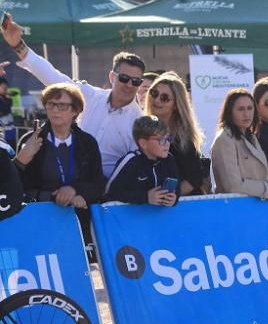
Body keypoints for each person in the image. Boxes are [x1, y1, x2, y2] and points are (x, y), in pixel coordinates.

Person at [2, 15, 144, 177]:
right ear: (112, 77)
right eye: (124, 78)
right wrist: (18, 45)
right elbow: (52, 77)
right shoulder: (90, 95)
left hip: (109, 194)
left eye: (136, 81)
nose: (129, 85)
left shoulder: (139, 121)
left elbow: (135, 169)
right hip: (69, 179)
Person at [211, 88, 268, 324]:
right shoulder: (224, 140)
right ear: (230, 112)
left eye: (249, 108)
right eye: (240, 109)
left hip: (254, 215)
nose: (246, 113)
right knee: (239, 275)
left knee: (251, 274)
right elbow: (233, 183)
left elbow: (259, 176)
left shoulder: (250, 137)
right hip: (235, 217)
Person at [13, 84, 103, 225]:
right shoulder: (30, 140)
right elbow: (17, 187)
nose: (55, 110)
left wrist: (76, 191)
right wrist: (21, 160)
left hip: (80, 220)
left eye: (62, 106)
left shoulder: (87, 142)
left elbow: (98, 183)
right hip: (40, 220)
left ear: (75, 110)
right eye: (51, 104)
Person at [145, 72, 206, 196]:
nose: (156, 100)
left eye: (165, 98)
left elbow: (194, 178)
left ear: (176, 105)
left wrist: (170, 197)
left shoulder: (182, 139)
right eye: (154, 93)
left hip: (178, 208)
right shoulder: (140, 129)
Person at [104, 115, 179, 207]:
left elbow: (177, 186)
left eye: (168, 139)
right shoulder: (131, 161)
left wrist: (174, 198)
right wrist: (145, 197)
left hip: (159, 218)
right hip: (130, 218)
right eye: (161, 140)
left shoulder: (169, 159)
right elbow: (110, 194)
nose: (167, 144)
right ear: (143, 143)